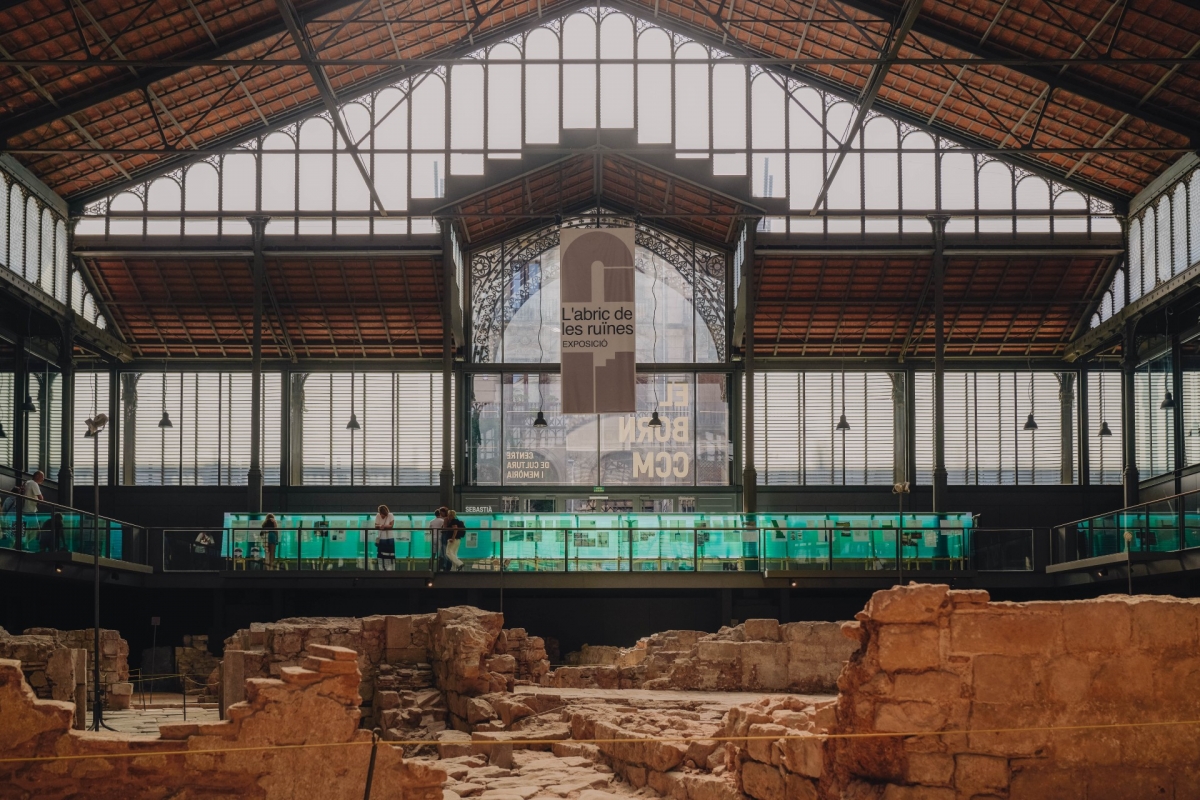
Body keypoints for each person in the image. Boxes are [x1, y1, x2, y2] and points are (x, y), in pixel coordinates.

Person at [21, 472, 44, 552]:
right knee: (36, 529)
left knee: (26, 529)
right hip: (30, 510)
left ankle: (25, 543)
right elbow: (40, 498)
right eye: (42, 477)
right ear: (37, 476)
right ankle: (25, 543)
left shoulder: (27, 482)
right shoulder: (34, 484)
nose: (43, 479)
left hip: (24, 509)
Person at [375, 505, 396, 571]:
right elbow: (375, 525)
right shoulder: (377, 515)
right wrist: (380, 526)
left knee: (390, 554)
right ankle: (381, 568)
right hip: (381, 538)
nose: (382, 516)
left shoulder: (390, 515)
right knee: (381, 554)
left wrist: (384, 526)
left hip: (389, 538)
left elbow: (391, 525)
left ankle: (390, 569)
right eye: (381, 514)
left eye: (383, 515)